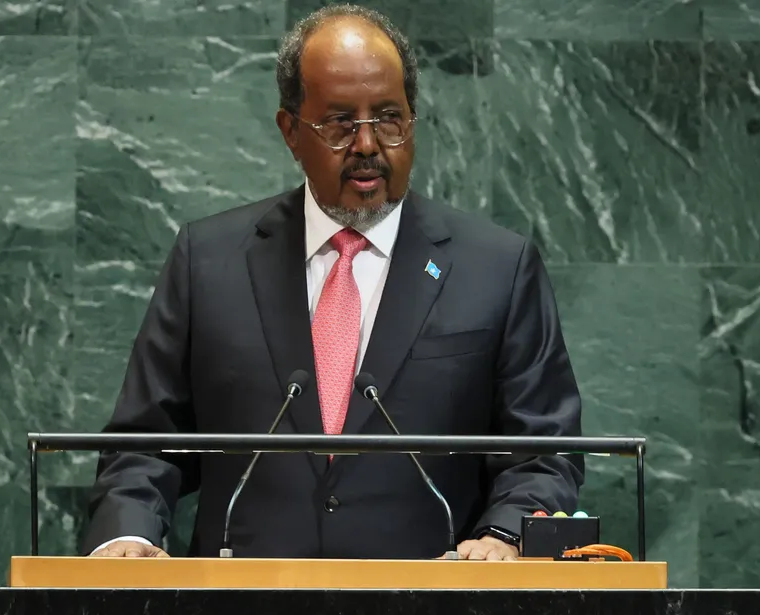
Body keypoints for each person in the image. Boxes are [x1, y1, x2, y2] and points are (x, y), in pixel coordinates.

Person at [83, 4, 583, 562]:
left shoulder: (497, 268)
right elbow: (144, 442)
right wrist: (127, 536)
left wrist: (505, 536)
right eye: (341, 123)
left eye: (389, 118)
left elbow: (544, 452)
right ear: (291, 132)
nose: (368, 145)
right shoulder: (209, 261)